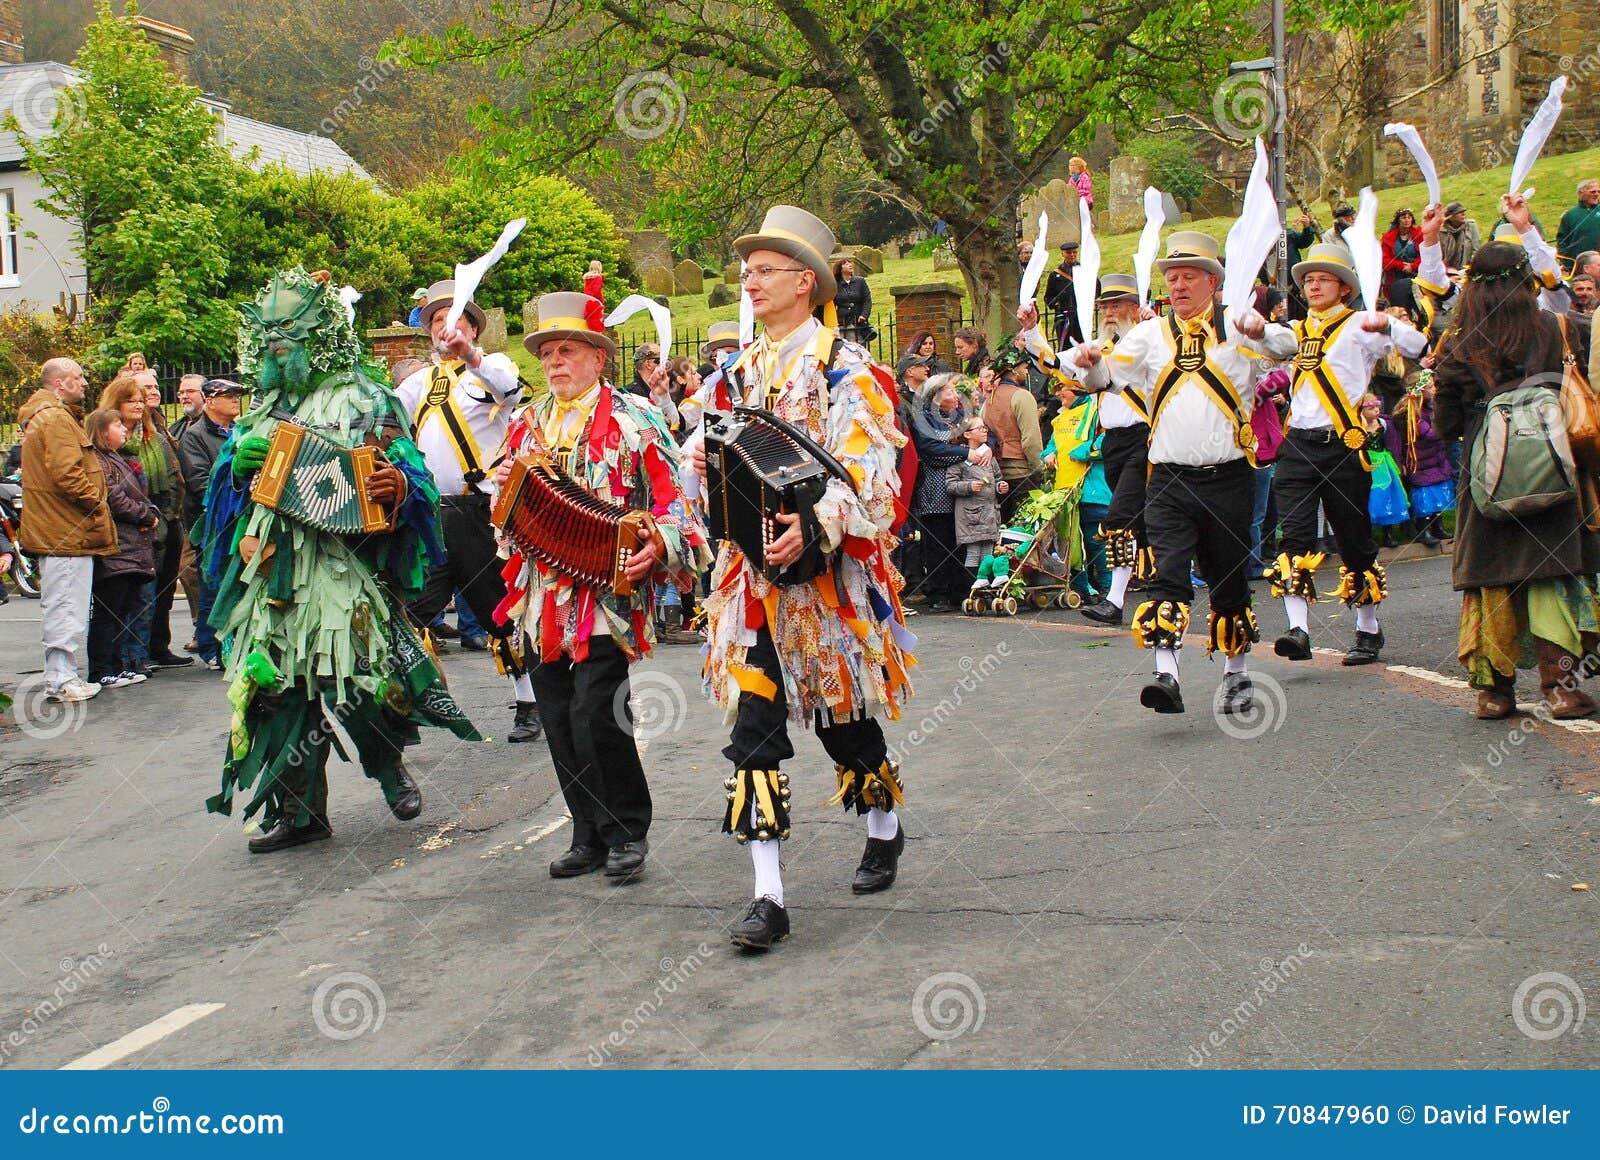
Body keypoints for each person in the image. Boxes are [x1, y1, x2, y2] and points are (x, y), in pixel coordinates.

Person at [686, 205, 914, 952]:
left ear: (805, 282)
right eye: (746, 271)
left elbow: (870, 473)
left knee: (847, 726)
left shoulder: (848, 370)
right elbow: (702, 467)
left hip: (823, 587)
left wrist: (813, 525)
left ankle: (883, 826)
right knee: (752, 734)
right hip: (747, 589)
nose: (749, 281)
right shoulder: (732, 375)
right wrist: (696, 474)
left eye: (764, 270)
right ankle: (768, 897)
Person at [204, 268, 481, 852]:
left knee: (353, 674)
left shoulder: (367, 398)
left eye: (293, 339)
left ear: (322, 335)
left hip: (341, 566)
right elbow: (223, 500)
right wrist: (237, 469)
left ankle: (387, 767)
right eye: (272, 341)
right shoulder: (259, 411)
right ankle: (300, 812)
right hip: (270, 567)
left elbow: (412, 478)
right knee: (271, 689)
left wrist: (396, 490)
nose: (281, 350)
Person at [497, 291, 707, 881]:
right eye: (546, 353)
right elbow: (503, 498)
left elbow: (675, 507)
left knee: (597, 709)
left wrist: (657, 544)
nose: (555, 362)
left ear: (597, 358)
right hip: (541, 594)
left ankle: (626, 830)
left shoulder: (634, 419)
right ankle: (585, 831)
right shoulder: (525, 425)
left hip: (605, 595)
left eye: (567, 350)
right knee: (558, 712)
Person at [1066, 231, 1297, 714]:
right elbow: (1106, 379)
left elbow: (1287, 348)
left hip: (1230, 478)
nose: (1178, 286)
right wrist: (1089, 366)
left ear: (1213, 282)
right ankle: (1165, 675)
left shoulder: (1238, 327)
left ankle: (1236, 674)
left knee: (1228, 580)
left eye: (1189, 276)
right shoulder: (1148, 336)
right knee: (1167, 575)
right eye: (1172, 278)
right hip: (1168, 479)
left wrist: (1258, 330)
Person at [1434, 239, 1598, 720]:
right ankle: (1561, 690)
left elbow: (1444, 423)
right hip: (1554, 470)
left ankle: (1494, 694)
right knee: (1553, 578)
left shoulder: (1457, 340)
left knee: (1492, 584)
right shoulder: (1560, 327)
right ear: (1527, 279)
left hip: (1488, 477)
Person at [1269, 241, 1427, 666]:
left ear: (1343, 288)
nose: (1313, 285)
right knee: (1295, 536)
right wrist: (1247, 325)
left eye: (1323, 279)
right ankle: (1298, 628)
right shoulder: (1297, 331)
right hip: (1299, 445)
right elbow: (1267, 345)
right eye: (1308, 280)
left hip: (1345, 446)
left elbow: (1417, 348)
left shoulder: (1361, 325)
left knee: (1353, 540)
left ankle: (1367, 629)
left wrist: (1389, 326)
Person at [397, 279, 541, 744]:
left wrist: (471, 357)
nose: (445, 328)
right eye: (437, 320)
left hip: (480, 513)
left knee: (499, 613)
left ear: (474, 328)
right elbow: (382, 418)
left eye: (455, 319)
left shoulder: (490, 365)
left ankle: (531, 702)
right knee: (408, 610)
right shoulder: (418, 382)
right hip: (428, 515)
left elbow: (512, 392)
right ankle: (406, 704)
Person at [1019, 273, 1151, 625]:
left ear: (1135, 309)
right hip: (1115, 442)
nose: (1109, 312)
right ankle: (1152, 587)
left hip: (1149, 436)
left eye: (1116, 305)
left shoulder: (1152, 338)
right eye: (1105, 306)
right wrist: (1032, 331)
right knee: (1140, 520)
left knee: (1121, 518)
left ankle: (1116, 600)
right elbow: (1054, 363)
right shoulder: (1099, 346)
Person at [17, 358, 115, 703]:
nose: (85, 383)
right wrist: (97, 502)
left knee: (64, 605)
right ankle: (62, 679)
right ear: (59, 383)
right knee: (66, 607)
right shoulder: (56, 418)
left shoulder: (43, 416)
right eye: (78, 377)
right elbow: (67, 473)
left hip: (60, 528)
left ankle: (63, 676)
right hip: (66, 530)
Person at [100, 374, 188, 673]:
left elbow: (175, 477)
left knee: (162, 591)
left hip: (166, 520)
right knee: (138, 596)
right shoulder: (113, 442)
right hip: (136, 527)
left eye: (142, 399)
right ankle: (131, 657)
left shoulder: (155, 435)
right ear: (116, 403)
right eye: (132, 399)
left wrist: (167, 517)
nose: (139, 404)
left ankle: (156, 647)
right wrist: (147, 517)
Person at [84, 408, 158, 689]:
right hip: (117, 546)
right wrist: (145, 514)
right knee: (108, 611)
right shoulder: (99, 462)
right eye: (117, 425)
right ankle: (101, 669)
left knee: (123, 609)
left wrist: (148, 510)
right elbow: (114, 497)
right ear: (102, 432)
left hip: (133, 546)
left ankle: (117, 665)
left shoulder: (118, 459)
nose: (124, 429)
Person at [178, 377, 245, 671]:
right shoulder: (195, 437)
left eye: (237, 394)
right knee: (212, 582)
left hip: (239, 520)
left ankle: (234, 643)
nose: (235, 399)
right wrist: (235, 492)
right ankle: (210, 646)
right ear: (210, 401)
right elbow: (199, 483)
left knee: (236, 584)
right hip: (212, 525)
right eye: (228, 394)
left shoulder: (242, 431)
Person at [909, 373, 985, 611]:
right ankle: (938, 592)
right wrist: (964, 453)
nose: (956, 395)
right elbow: (930, 448)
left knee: (959, 539)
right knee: (937, 541)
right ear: (935, 398)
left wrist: (985, 447)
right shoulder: (923, 420)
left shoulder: (960, 416)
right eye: (950, 392)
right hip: (935, 488)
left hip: (961, 488)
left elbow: (979, 433)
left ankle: (960, 588)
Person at [1387, 373, 1453, 546]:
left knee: (1437, 492)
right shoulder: (1409, 413)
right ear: (1420, 391)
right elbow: (1428, 434)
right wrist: (1447, 428)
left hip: (1434, 457)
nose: (1435, 390)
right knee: (1425, 496)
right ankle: (1423, 529)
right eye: (1430, 387)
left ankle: (1437, 526)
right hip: (1420, 461)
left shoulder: (1429, 407)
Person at [982, 344, 1044, 524]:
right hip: (1023, 474)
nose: (1027, 372)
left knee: (1005, 530)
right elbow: (1031, 440)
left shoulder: (989, 401)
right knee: (1026, 532)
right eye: (1024, 367)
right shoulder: (1022, 396)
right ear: (1013, 370)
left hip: (999, 475)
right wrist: (1038, 469)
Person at [947, 415, 1003, 594]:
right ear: (968, 434)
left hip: (990, 512)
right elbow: (950, 484)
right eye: (980, 428)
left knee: (988, 551)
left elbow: (998, 479)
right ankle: (970, 589)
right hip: (971, 515)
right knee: (973, 552)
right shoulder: (959, 458)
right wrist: (969, 486)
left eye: (985, 427)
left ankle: (986, 588)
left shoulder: (989, 457)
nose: (984, 430)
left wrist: (1001, 487)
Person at [1359, 393, 1411, 548]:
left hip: (1383, 463)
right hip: (1367, 464)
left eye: (1377, 408)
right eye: (1371, 408)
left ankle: (1387, 532)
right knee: (1372, 497)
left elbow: (1393, 443)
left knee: (1388, 494)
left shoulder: (1384, 424)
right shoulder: (1357, 427)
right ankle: (1368, 533)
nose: (1376, 411)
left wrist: (1398, 461)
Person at [1043, 241, 1085, 346]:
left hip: (1081, 315)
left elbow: (1095, 289)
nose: (1072, 255)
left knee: (1083, 344)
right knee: (1065, 346)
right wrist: (1057, 304)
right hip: (1064, 317)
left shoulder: (1084, 270)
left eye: (1074, 252)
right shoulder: (1055, 275)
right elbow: (1048, 297)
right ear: (1063, 254)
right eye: (1069, 253)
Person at [1381, 208, 1423, 311]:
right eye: (1404, 217)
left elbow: (1425, 255)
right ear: (1398, 220)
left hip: (1417, 274)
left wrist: (1413, 266)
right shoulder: (1388, 238)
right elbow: (1384, 259)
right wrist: (1401, 266)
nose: (1407, 220)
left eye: (1409, 217)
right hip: (1395, 276)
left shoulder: (1419, 234)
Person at [1555, 179, 1600, 271]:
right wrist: (1567, 263)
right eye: (1592, 191)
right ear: (1580, 193)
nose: (1596, 194)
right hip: (1579, 267)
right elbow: (1562, 241)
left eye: (1598, 191)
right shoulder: (1570, 215)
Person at [831, 256, 873, 344]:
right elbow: (832, 304)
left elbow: (867, 300)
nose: (850, 265)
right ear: (840, 269)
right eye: (846, 264)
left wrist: (864, 315)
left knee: (858, 347)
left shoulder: (860, 281)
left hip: (858, 321)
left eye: (850, 263)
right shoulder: (835, 284)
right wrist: (834, 321)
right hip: (842, 323)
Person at [1439, 201, 1482, 274]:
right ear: (1450, 217)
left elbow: (1477, 249)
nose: (1463, 214)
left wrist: (1470, 268)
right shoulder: (1441, 231)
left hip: (1466, 270)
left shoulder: (1471, 226)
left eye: (1463, 211)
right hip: (1446, 271)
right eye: (1459, 212)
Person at [168, 373, 206, 441]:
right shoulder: (174, 428)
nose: (184, 396)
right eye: (181, 393)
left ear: (204, 394)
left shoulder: (215, 427)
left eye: (190, 391)